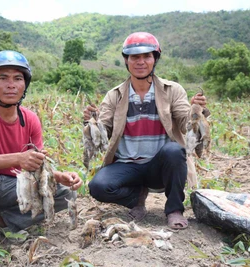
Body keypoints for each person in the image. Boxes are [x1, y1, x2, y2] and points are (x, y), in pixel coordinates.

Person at [83, 32, 207, 230]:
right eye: (134, 57)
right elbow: (104, 130)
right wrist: (91, 122)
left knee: (175, 151)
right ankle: (136, 198)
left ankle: (174, 209)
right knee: (98, 186)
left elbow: (186, 123)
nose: (141, 62)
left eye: (146, 56)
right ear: (126, 60)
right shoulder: (114, 95)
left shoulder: (172, 90)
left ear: (155, 59)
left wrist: (196, 111)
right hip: (127, 164)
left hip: (158, 165)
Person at [0, 50, 82, 237]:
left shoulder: (30, 119)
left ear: (25, 84)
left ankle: (0, 220)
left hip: (11, 186)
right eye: (3, 78)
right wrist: (18, 158)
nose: (11, 85)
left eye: (18, 79)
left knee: (66, 193)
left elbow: (34, 166)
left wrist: (58, 176)